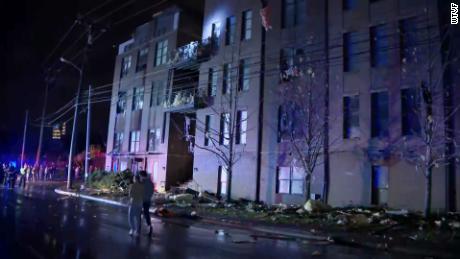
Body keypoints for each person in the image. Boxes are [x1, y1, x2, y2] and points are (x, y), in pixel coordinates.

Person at [139, 171, 154, 235]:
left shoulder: (142, 182)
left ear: (142, 176)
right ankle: (149, 226)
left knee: (138, 213)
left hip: (142, 200)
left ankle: (138, 227)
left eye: (140, 176)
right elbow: (151, 192)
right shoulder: (151, 183)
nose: (140, 177)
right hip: (148, 200)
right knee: (146, 213)